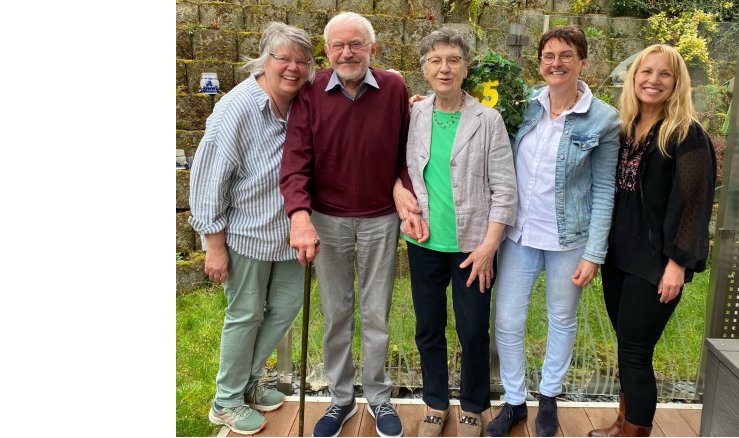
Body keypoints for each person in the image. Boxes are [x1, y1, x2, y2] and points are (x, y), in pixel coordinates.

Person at [482, 25, 621, 437]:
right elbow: (473, 115)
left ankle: (548, 399)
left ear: (582, 62)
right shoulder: (522, 104)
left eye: (565, 55)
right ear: (540, 62)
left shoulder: (603, 119)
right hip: (517, 235)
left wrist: (594, 252)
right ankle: (513, 401)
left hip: (569, 239)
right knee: (507, 320)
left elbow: (604, 190)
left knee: (561, 318)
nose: (556, 63)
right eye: (549, 56)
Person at [279, 11, 410, 438]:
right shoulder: (311, 92)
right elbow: (295, 160)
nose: (347, 52)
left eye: (356, 44)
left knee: (376, 314)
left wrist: (401, 188)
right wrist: (299, 215)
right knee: (337, 313)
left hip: (380, 220)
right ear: (327, 51)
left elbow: (410, 150)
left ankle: (377, 396)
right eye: (338, 45)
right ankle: (340, 398)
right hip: (327, 220)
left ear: (372, 49)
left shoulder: (393, 88)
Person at [188, 22, 315, 436]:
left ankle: (248, 381)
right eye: (284, 59)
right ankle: (225, 401)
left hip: (288, 235)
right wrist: (214, 245)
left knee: (283, 309)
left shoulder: (301, 102)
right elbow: (208, 177)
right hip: (245, 235)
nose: (293, 68)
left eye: (302, 61)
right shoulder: (236, 107)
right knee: (244, 315)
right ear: (265, 60)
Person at [393, 27, 517, 437]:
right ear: (424, 68)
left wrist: (489, 246)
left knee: (472, 330)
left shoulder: (488, 120)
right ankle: (435, 403)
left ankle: (473, 405)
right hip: (423, 241)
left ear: (466, 67)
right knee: (428, 327)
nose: (444, 68)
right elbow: (393, 167)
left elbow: (504, 189)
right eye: (435, 60)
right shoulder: (412, 115)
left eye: (453, 60)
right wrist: (397, 192)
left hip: (473, 247)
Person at [588, 44, 716, 437]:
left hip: (656, 264)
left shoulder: (687, 135)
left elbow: (695, 206)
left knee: (636, 352)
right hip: (618, 258)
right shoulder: (624, 129)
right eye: (646, 72)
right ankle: (623, 421)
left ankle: (635, 432)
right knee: (626, 347)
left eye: (664, 74)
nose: (653, 80)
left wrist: (677, 265)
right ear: (633, 77)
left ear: (677, 83)